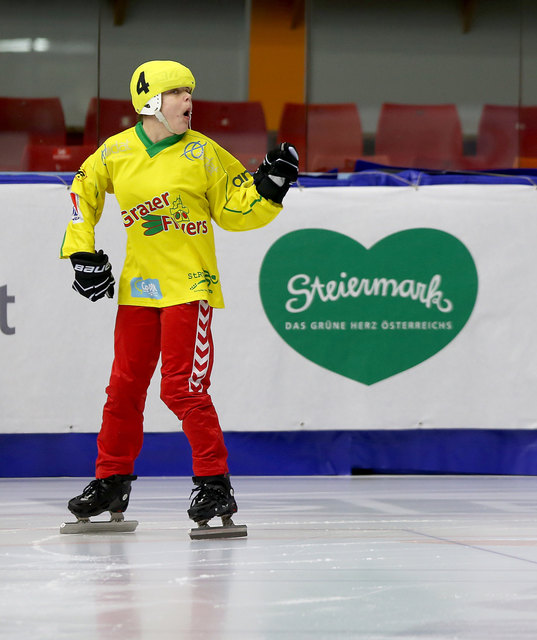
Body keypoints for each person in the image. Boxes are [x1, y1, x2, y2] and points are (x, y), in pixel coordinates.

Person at [60, 60, 298, 531]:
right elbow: (82, 193)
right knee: (123, 389)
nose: (189, 102)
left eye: (190, 93)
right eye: (178, 94)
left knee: (182, 388)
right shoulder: (117, 151)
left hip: (189, 286)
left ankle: (214, 484)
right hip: (139, 289)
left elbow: (236, 210)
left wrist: (270, 191)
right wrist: (81, 251)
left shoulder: (204, 152)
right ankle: (111, 479)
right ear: (150, 102)